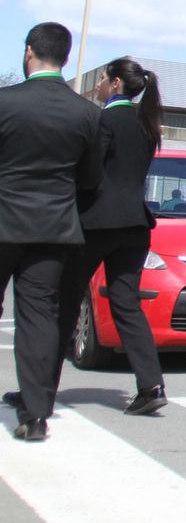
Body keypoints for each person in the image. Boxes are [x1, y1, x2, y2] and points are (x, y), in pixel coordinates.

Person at [0, 23, 102, 441]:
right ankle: (37, 413)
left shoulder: (5, 103)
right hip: (54, 226)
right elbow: (91, 178)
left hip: (3, 220)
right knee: (40, 315)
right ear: (64, 56)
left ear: (29, 52)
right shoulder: (87, 114)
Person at [52, 58, 168, 417]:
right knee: (126, 305)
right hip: (135, 226)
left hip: (97, 224)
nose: (99, 86)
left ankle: (39, 387)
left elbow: (90, 175)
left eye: (101, 80)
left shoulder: (104, 121)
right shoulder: (147, 124)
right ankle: (151, 384)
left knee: (65, 302)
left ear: (115, 83)